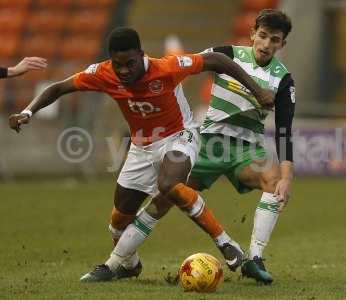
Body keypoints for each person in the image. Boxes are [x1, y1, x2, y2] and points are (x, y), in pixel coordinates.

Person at [8, 27, 274, 281]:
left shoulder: (167, 67)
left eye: (130, 64)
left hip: (180, 136)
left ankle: (225, 243)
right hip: (141, 148)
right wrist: (28, 111)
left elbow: (216, 59)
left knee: (169, 185)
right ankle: (129, 265)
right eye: (117, 64)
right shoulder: (103, 73)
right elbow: (58, 88)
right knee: (117, 223)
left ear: (141, 54)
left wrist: (257, 90)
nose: (123, 71)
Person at [90, 9, 295, 285]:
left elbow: (284, 129)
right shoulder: (227, 55)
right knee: (164, 198)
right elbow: (185, 65)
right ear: (252, 34)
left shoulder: (284, 79)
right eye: (263, 36)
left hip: (247, 149)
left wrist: (287, 177)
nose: (267, 44)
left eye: (275, 39)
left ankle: (255, 259)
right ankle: (115, 263)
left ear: (282, 44)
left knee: (273, 181)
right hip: (208, 143)